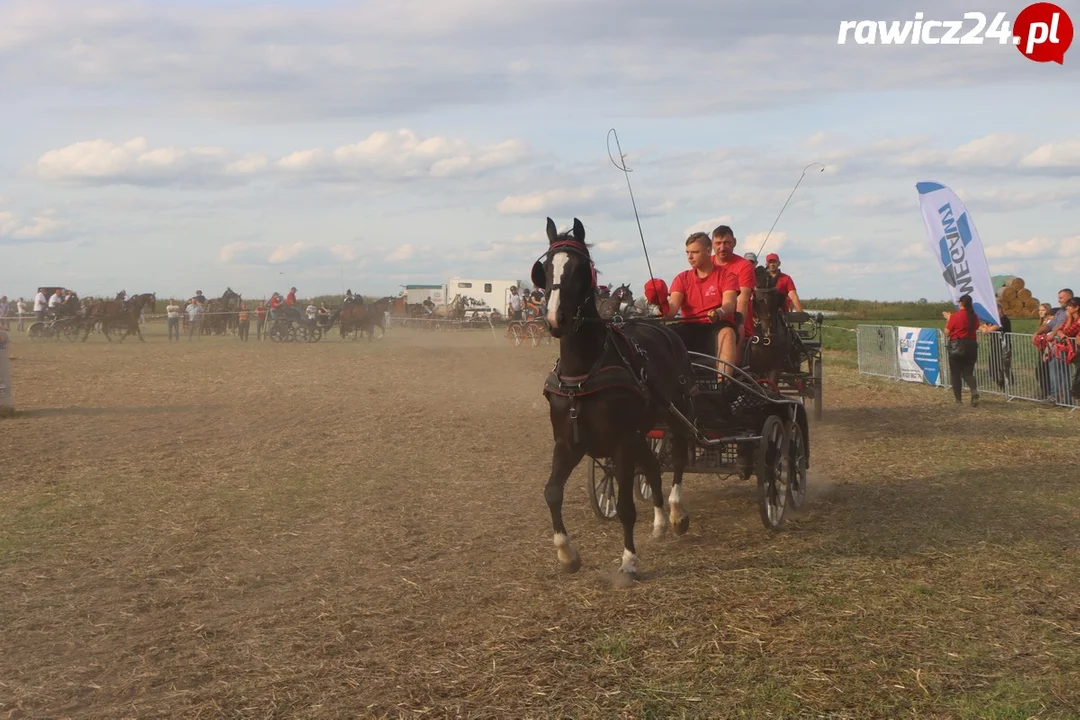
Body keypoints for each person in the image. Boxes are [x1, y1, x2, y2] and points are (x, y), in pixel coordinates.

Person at [646, 232, 739, 375]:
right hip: (690, 326)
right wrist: (661, 304)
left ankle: (723, 383)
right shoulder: (682, 278)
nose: (690, 257)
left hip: (716, 325)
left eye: (695, 252)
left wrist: (718, 313)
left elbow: (729, 305)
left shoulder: (727, 276)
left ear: (708, 251)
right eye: (687, 252)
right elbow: (671, 310)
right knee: (662, 335)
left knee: (728, 333)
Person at [711, 225, 757, 363]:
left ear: (734, 243)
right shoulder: (707, 263)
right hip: (710, 321)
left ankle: (730, 376)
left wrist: (737, 325)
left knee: (736, 331)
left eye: (727, 243)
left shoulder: (744, 266)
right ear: (712, 245)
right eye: (718, 243)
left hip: (733, 321)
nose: (722, 247)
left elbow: (742, 301)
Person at [943, 294, 980, 406]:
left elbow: (947, 333)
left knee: (955, 374)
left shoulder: (955, 316)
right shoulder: (975, 316)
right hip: (972, 346)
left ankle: (958, 400)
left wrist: (948, 319)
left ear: (960, 303)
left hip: (957, 346)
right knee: (968, 372)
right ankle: (974, 391)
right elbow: (976, 327)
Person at [979, 302, 1012, 391]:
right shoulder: (991, 320)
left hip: (1004, 346)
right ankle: (1001, 384)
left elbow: (992, 329)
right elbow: (981, 327)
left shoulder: (1003, 319)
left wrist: (986, 329)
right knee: (992, 367)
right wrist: (984, 328)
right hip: (994, 346)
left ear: (1000, 310)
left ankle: (1007, 387)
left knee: (1003, 367)